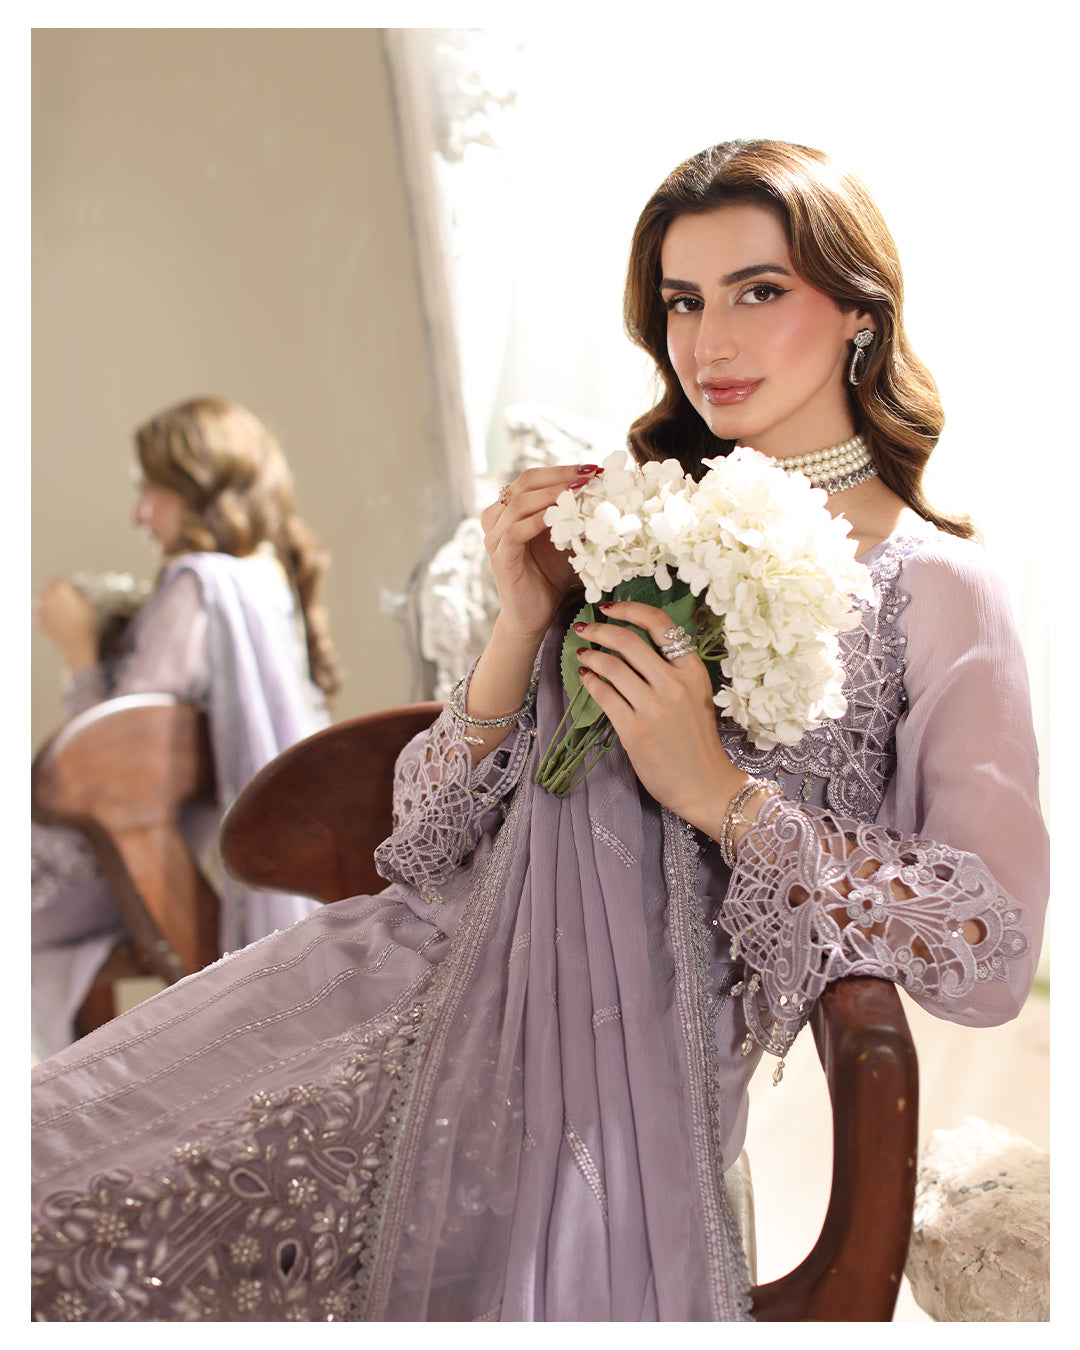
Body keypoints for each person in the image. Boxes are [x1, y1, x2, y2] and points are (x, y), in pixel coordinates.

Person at [30, 142, 1048, 1322]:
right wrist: (520, 624)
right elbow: (421, 842)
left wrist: (723, 799)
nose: (709, 342)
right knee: (59, 1185)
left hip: (589, 1098)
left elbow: (989, 942)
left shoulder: (938, 589)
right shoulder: (624, 522)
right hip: (382, 986)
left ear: (859, 314)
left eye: (758, 292)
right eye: (682, 301)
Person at [32, 396, 341, 1060]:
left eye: (152, 490)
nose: (138, 513)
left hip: (99, 868)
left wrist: (78, 654)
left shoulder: (197, 586)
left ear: (199, 488)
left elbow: (110, 766)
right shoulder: (264, 582)